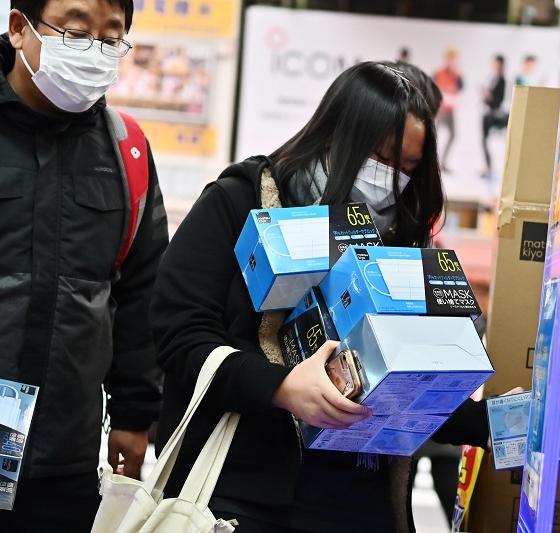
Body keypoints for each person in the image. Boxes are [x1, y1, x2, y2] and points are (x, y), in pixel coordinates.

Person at [150, 60, 494, 533]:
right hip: (239, 498)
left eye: (409, 168)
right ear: (339, 135)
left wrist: (491, 420)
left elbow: (405, 388)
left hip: (360, 506)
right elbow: (179, 332)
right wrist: (281, 387)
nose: (390, 180)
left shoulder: (404, 240)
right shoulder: (240, 200)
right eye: (381, 157)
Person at [0, 1, 168, 531]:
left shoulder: (127, 151)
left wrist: (135, 415)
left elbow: (143, 292)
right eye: (76, 31)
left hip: (63, 463)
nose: (94, 50)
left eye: (110, 37)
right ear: (18, 28)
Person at [431, 48, 463, 173]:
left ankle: (443, 162)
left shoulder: (457, 75)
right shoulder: (439, 73)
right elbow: (432, 87)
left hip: (450, 110)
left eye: (454, 59)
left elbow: (461, 88)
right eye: (450, 59)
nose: (452, 62)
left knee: (453, 135)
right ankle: (431, 162)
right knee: (433, 135)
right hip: (440, 109)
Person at [480, 54, 507, 178]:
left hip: (495, 115)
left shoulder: (502, 81)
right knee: (484, 141)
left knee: (492, 142)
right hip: (487, 113)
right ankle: (488, 167)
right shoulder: (490, 79)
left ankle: (493, 168)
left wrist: (488, 96)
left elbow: (498, 101)